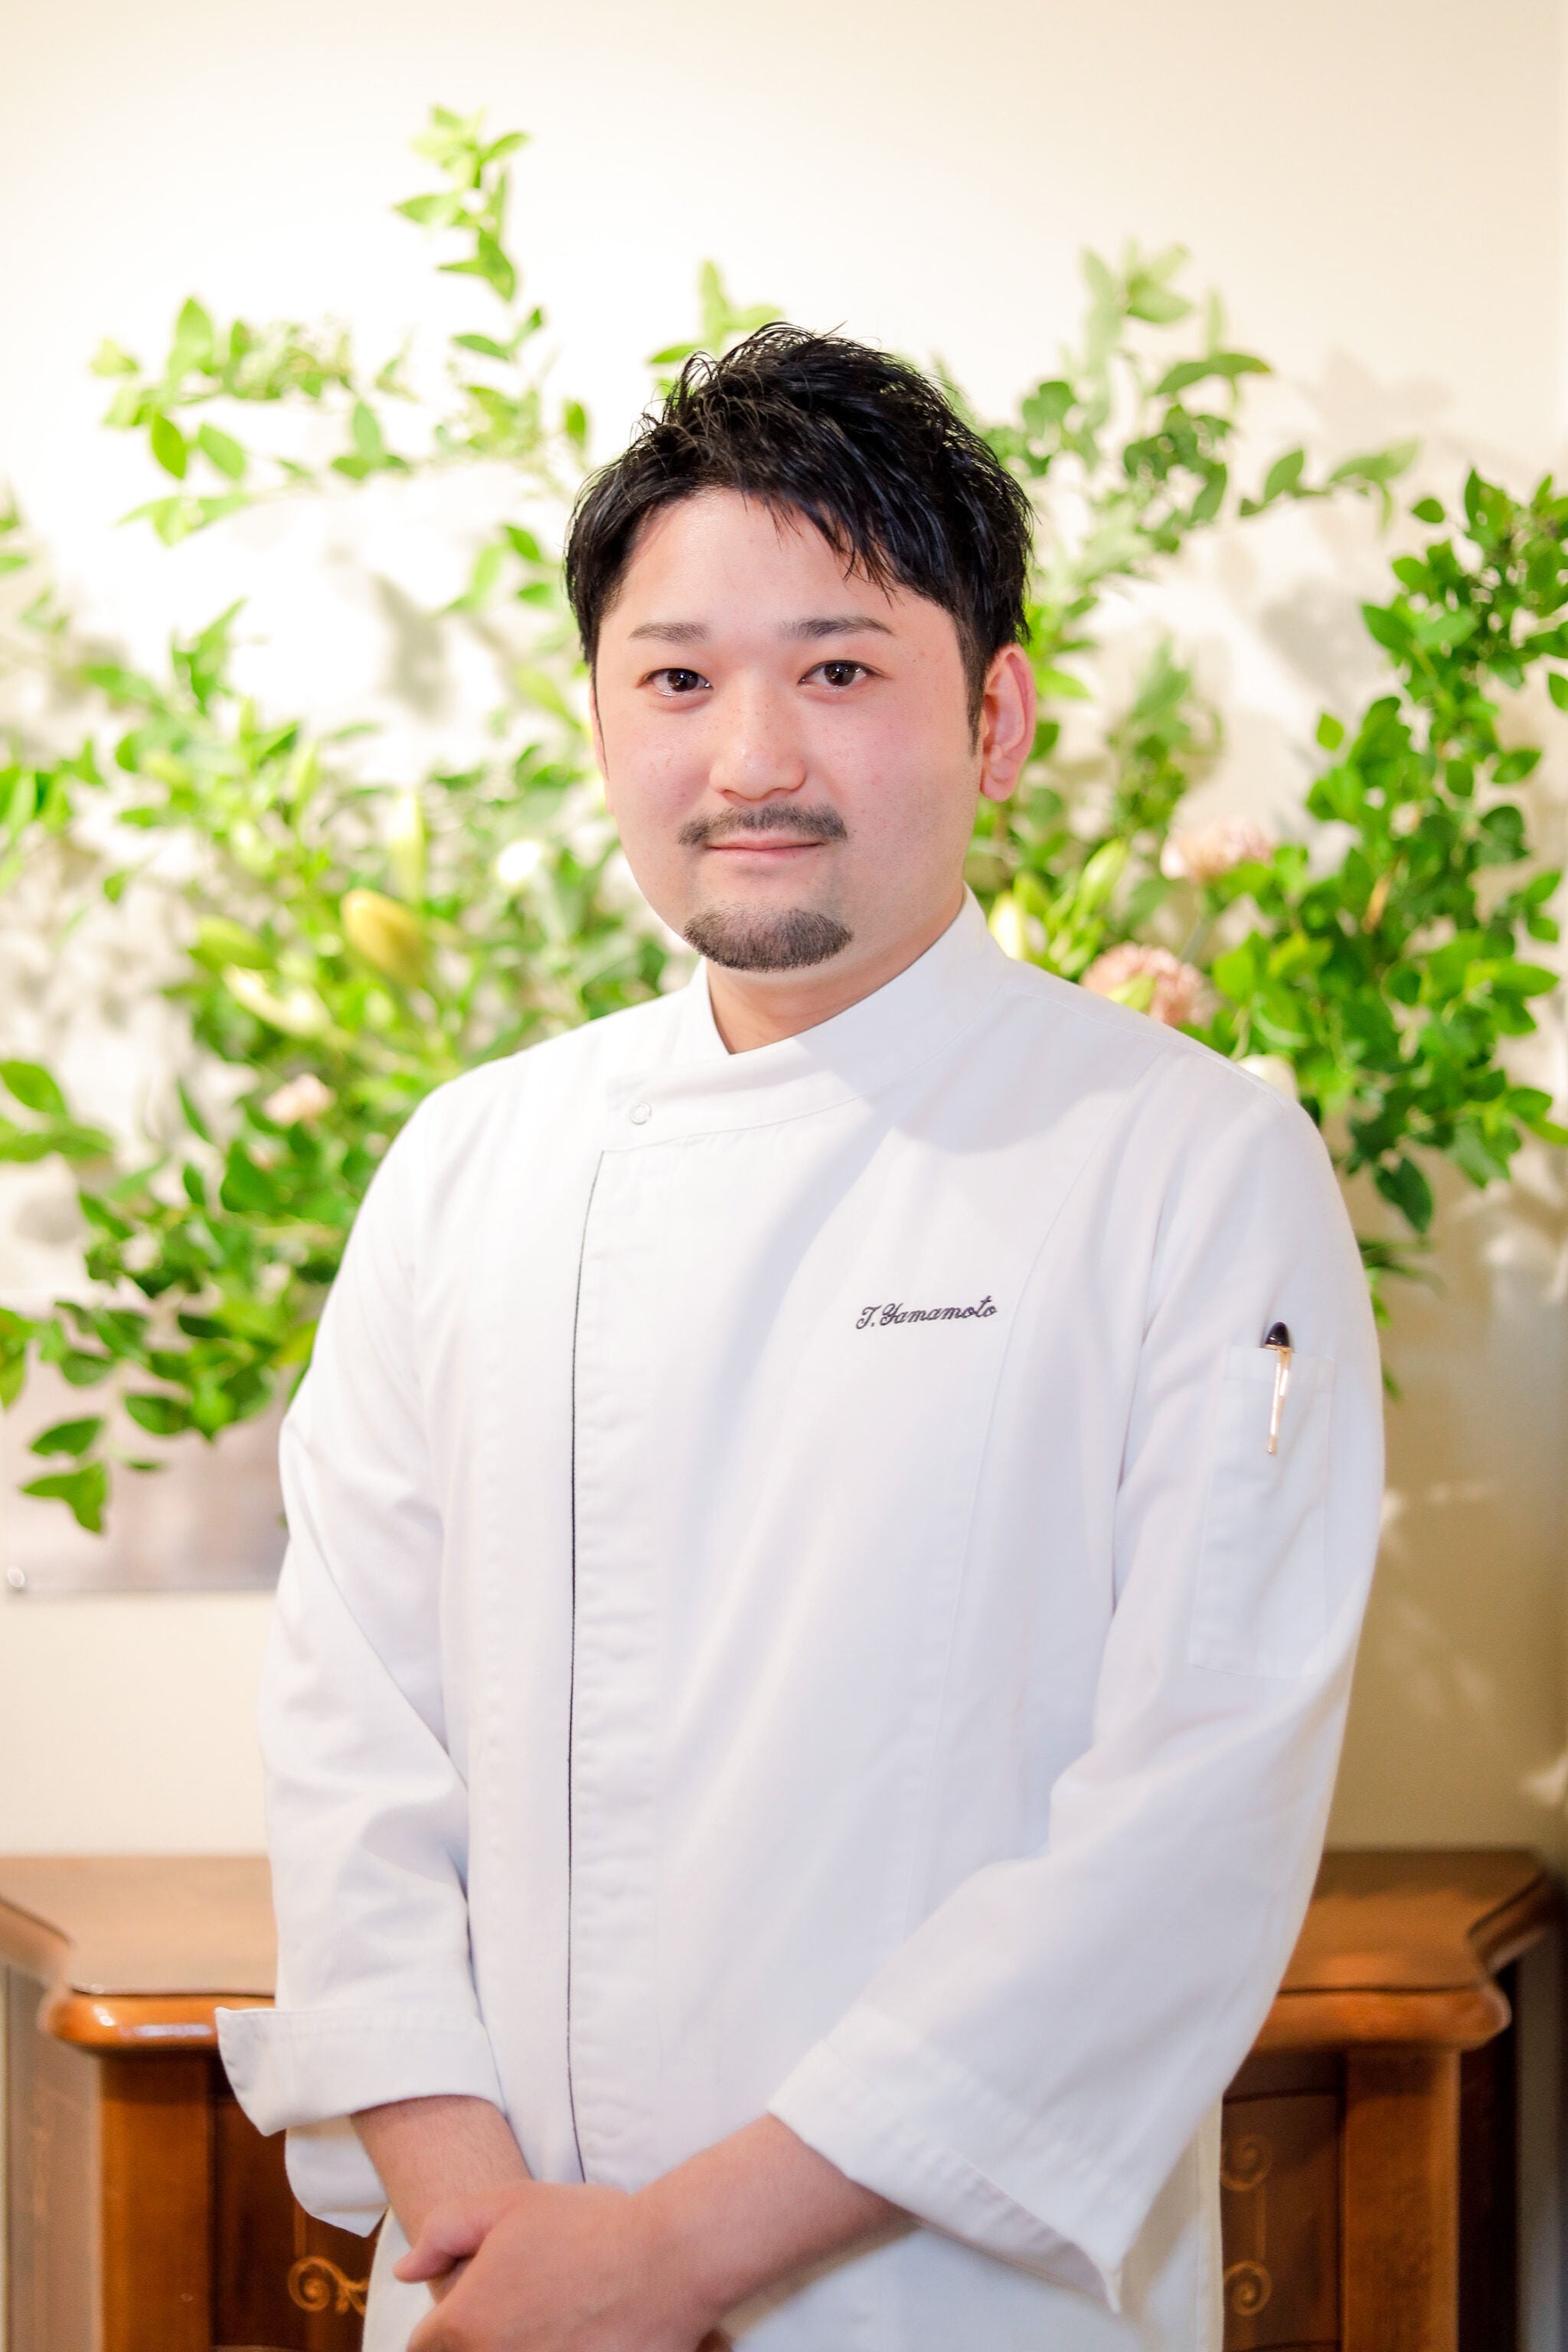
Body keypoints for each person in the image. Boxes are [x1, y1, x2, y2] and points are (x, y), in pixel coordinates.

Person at [218, 326, 1383, 2352]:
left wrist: (673, 2258)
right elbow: (351, 1741)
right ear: (600, 719)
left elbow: (1186, 1823)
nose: (750, 760)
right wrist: (493, 2237)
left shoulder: (1191, 1165)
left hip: (948, 2301)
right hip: (495, 2287)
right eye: (677, 680)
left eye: (839, 671)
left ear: (996, 718)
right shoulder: (474, 1160)